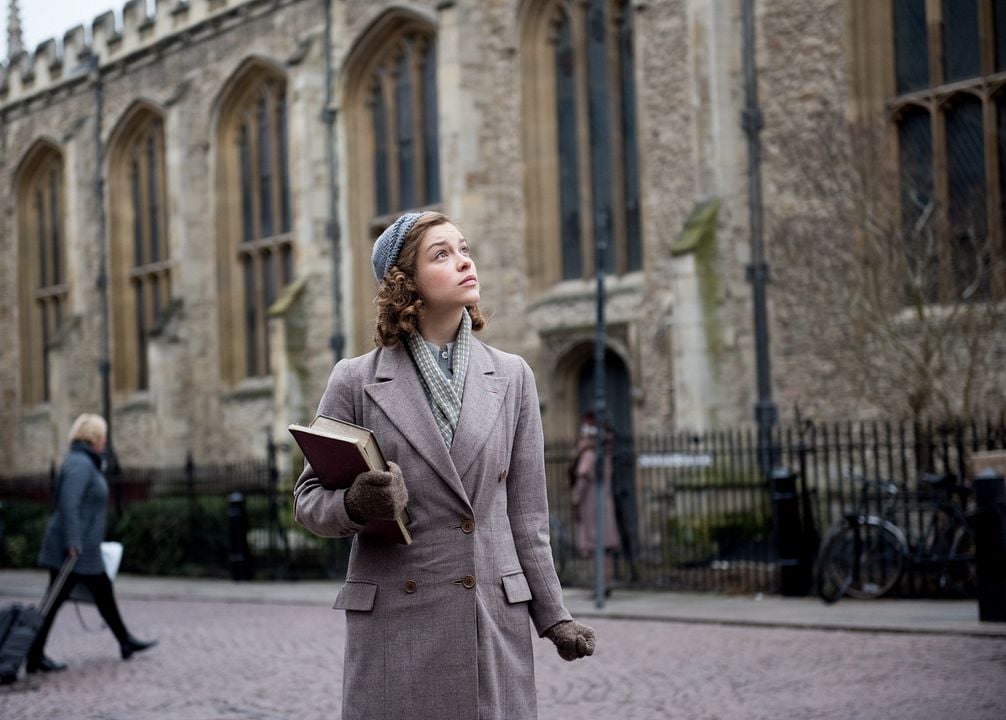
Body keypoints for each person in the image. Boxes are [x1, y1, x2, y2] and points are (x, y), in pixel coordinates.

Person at [294, 211, 595, 719]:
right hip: (397, 615)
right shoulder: (355, 380)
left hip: (490, 616)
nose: (464, 261)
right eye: (442, 254)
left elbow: (527, 516)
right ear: (404, 282)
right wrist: (355, 501)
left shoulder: (512, 375)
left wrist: (554, 616)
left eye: (464, 248)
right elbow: (307, 502)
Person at [29, 413, 157, 673]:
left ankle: (125, 641)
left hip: (85, 550)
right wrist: (73, 541)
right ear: (95, 438)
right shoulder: (79, 463)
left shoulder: (86, 462)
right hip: (73, 550)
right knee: (53, 602)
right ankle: (31, 655)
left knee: (102, 593)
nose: (105, 441)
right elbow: (69, 504)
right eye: (103, 436)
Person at [570, 416, 620, 592]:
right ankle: (605, 583)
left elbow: (583, 475)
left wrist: (576, 496)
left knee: (594, 546)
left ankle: (599, 585)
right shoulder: (605, 454)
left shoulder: (590, 454)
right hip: (603, 501)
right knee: (604, 547)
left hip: (591, 503)